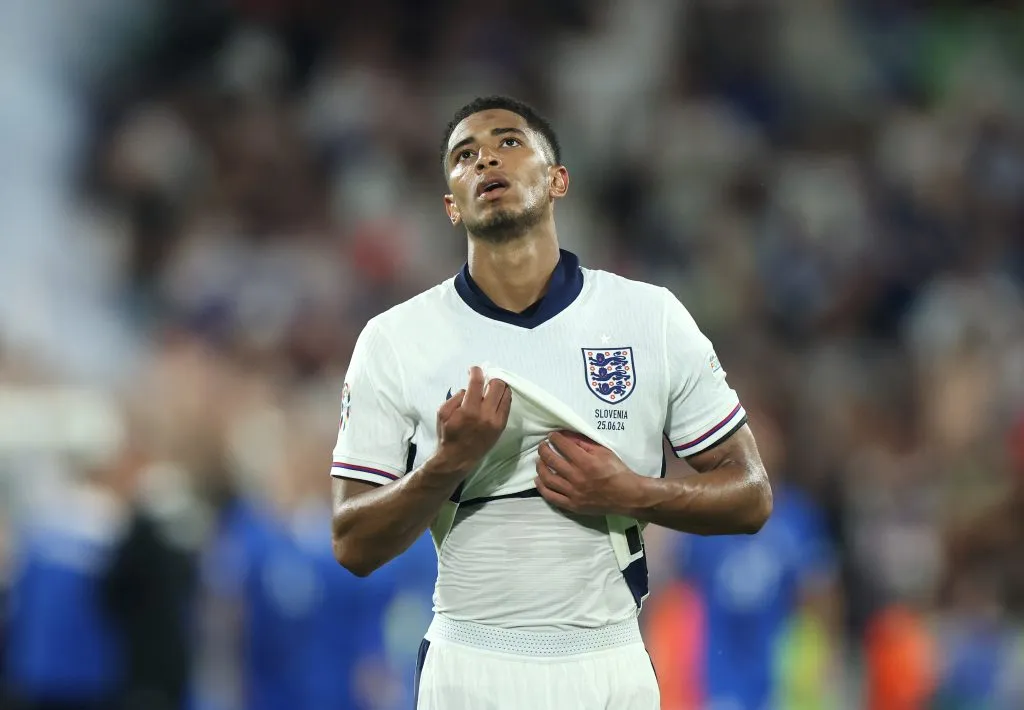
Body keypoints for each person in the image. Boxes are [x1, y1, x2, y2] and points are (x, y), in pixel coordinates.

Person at [329, 95, 773, 709]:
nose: (486, 158)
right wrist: (447, 465)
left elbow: (751, 494)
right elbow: (352, 543)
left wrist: (629, 492)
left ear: (558, 179)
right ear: (450, 207)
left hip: (607, 663)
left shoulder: (650, 318)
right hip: (470, 664)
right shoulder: (394, 339)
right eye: (465, 156)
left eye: (509, 142)